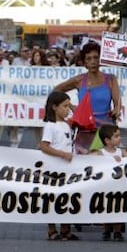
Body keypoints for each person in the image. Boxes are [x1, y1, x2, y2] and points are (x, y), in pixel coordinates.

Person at [54, 42, 121, 154]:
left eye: (95, 57)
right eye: (89, 58)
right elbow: (57, 90)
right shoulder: (79, 80)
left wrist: (117, 109)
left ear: (101, 59)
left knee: (105, 163)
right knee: (84, 163)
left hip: (106, 131)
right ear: (84, 62)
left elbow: (117, 102)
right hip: (84, 129)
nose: (93, 61)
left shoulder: (110, 79)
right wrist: (71, 107)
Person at [40, 91, 79, 241]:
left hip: (67, 169)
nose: (68, 109)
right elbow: (44, 146)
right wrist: (62, 154)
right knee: (51, 198)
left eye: (69, 106)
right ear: (54, 107)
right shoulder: (51, 126)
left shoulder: (66, 125)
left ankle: (65, 229)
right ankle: (52, 230)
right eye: (64, 106)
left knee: (67, 197)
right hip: (53, 169)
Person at [93, 124, 127, 241]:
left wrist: (124, 159)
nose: (120, 138)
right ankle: (106, 230)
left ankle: (117, 231)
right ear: (107, 140)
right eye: (116, 136)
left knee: (118, 208)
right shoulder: (101, 152)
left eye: (119, 135)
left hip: (119, 186)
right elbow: (90, 161)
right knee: (105, 208)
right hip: (106, 186)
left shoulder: (121, 151)